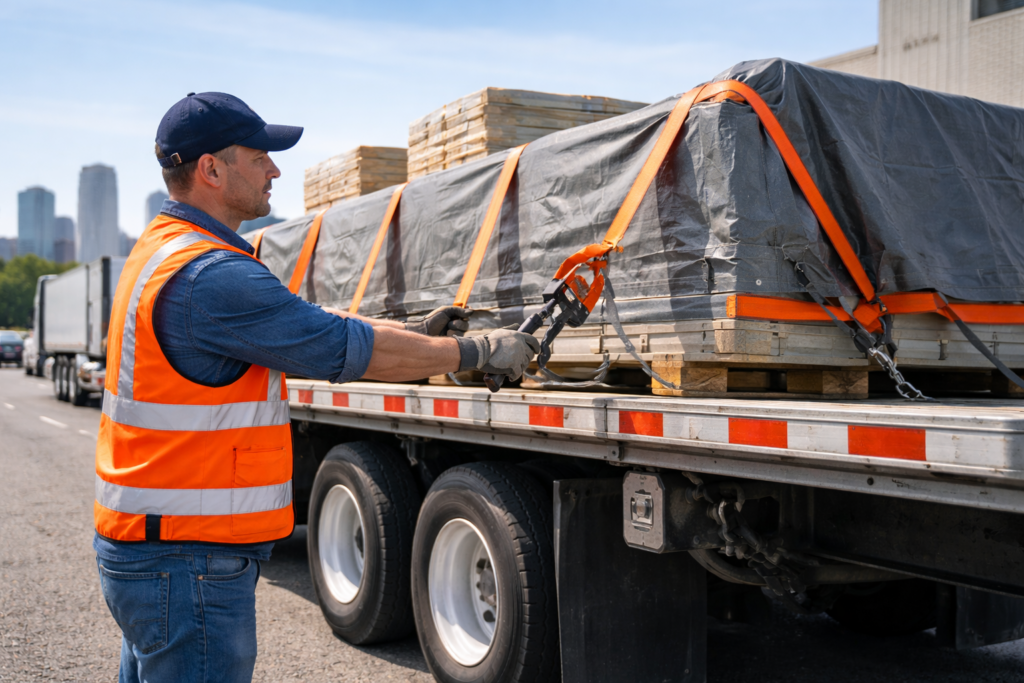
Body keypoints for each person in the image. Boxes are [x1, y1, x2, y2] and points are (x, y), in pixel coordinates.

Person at [93, 92, 540, 683]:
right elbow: (339, 347)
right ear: (211, 169)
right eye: (260, 157)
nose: (275, 170)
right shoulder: (211, 276)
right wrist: (474, 351)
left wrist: (409, 333)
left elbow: (311, 328)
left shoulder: (165, 253)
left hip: (155, 548)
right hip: (186, 560)